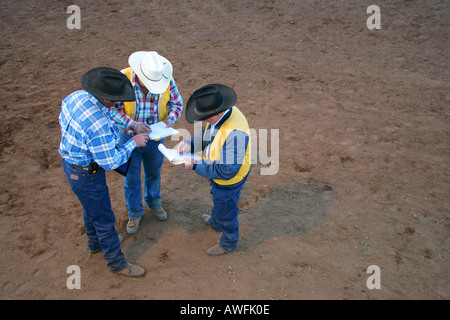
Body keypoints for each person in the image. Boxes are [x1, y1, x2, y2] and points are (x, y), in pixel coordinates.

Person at [59, 67, 149, 277]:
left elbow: (65, 120)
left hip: (72, 165)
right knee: (104, 218)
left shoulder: (76, 97)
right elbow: (110, 162)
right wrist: (133, 144)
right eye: (117, 100)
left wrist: (133, 126)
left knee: (91, 209)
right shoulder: (97, 124)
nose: (119, 104)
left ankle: (95, 244)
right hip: (87, 174)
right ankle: (117, 263)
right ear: (107, 99)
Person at [109, 51, 183, 235]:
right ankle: (134, 212)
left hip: (156, 137)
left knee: (154, 172)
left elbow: (177, 103)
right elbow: (112, 110)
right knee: (131, 177)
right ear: (140, 76)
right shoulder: (122, 79)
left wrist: (171, 120)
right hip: (128, 137)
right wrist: (134, 125)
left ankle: (154, 202)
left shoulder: (165, 79)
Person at [174, 84, 251, 256]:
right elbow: (210, 135)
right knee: (219, 200)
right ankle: (216, 222)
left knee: (226, 210)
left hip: (229, 180)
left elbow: (227, 171)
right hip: (220, 173)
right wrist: (190, 144)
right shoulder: (222, 113)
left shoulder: (235, 133)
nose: (203, 120)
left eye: (205, 117)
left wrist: (195, 165)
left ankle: (228, 243)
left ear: (216, 113)